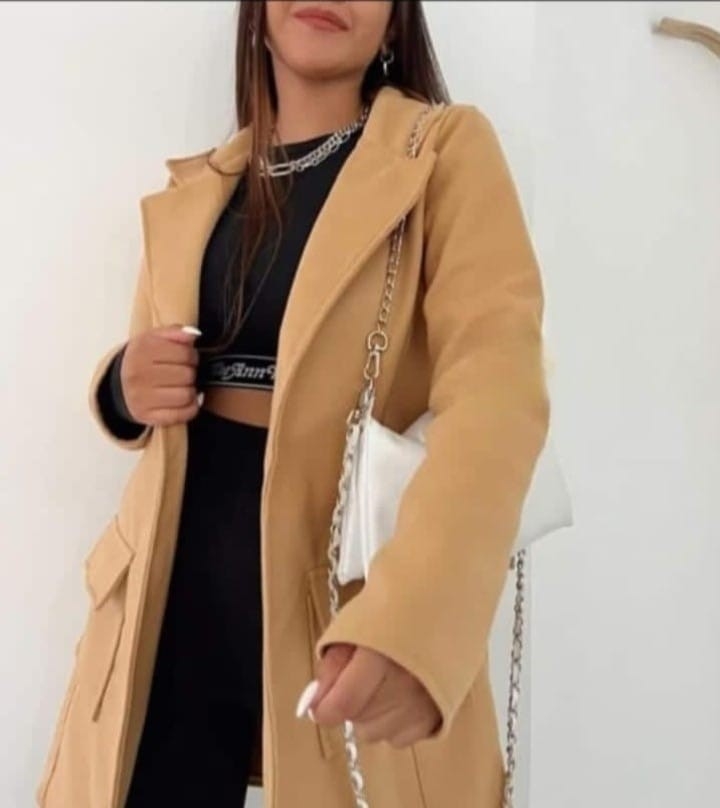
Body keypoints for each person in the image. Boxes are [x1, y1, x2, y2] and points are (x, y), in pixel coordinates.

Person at [35, 2, 550, 806]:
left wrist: (421, 616)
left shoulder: (441, 154)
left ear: (396, 20)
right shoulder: (200, 188)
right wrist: (121, 388)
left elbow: (498, 389)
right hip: (167, 602)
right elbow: (150, 378)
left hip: (343, 602)